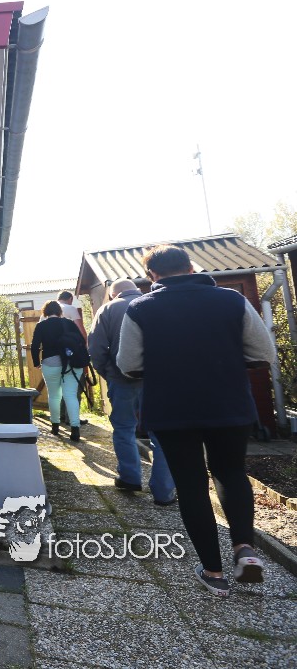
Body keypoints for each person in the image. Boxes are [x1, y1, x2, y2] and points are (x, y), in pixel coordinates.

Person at [117, 245, 275, 597]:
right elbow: (263, 353)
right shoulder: (232, 300)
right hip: (229, 404)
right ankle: (244, 549)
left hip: (172, 409)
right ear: (191, 268)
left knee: (190, 484)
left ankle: (214, 572)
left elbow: (128, 364)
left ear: (152, 276)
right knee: (231, 472)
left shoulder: (140, 308)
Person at [88, 278, 176, 505]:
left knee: (124, 428)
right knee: (161, 434)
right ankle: (164, 491)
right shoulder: (155, 303)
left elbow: (96, 348)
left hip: (121, 379)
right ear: (136, 289)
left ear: (113, 294)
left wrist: (108, 373)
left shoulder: (107, 310)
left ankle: (130, 478)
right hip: (157, 380)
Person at [30, 300, 85, 441]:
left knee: (54, 395)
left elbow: (35, 346)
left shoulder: (41, 325)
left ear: (45, 312)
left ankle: (55, 426)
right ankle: (75, 429)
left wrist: (36, 363)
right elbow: (81, 341)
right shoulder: (69, 323)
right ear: (60, 312)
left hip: (50, 362)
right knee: (70, 395)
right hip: (71, 363)